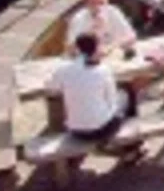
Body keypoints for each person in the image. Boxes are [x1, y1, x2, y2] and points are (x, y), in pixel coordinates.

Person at [47, 34, 143, 162]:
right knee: (127, 93)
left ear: (77, 49)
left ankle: (130, 145)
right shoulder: (103, 71)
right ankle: (132, 147)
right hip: (101, 131)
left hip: (75, 130)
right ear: (97, 49)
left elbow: (52, 88)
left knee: (115, 102)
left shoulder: (63, 70)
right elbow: (112, 102)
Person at [66, 0, 137, 55]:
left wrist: (110, 48)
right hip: (88, 58)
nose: (98, 7)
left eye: (101, 3)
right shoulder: (79, 18)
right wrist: (93, 32)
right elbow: (70, 48)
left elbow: (131, 36)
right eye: (93, 3)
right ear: (87, 4)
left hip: (112, 54)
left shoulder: (113, 11)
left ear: (107, 2)